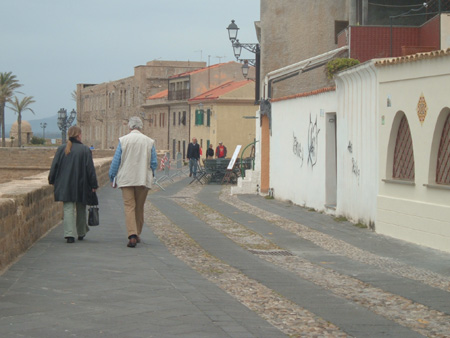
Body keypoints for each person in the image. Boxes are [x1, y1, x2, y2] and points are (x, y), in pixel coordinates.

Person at [109, 116, 157, 248]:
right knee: (139, 207)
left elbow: (116, 161)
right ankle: (137, 233)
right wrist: (151, 174)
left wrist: (112, 177)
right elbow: (153, 163)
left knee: (129, 206)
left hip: (126, 178)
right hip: (142, 178)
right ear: (141, 127)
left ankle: (132, 235)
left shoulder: (123, 141)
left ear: (129, 127)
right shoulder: (149, 141)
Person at [48, 126, 98, 243]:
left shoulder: (61, 149)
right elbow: (90, 169)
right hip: (81, 184)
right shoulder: (85, 150)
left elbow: (54, 166)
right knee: (81, 207)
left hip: (65, 184)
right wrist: (93, 185)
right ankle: (81, 232)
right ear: (79, 135)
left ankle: (69, 234)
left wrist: (52, 180)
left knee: (68, 208)